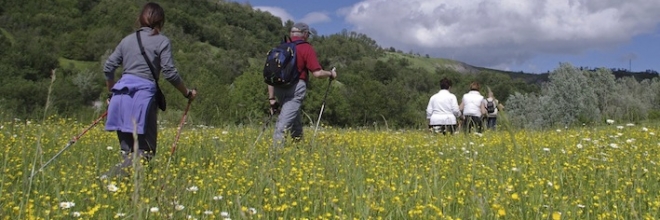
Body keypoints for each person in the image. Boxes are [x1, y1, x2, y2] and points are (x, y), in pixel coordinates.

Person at [101, 2, 197, 178]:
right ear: (161, 22)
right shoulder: (162, 41)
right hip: (143, 97)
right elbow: (170, 73)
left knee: (127, 151)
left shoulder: (127, 40)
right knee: (146, 151)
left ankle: (124, 192)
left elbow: (108, 67)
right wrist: (187, 93)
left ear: (140, 19)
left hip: (120, 96)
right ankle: (109, 178)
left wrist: (111, 92)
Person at [268, 22, 336, 148]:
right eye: (308, 34)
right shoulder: (306, 48)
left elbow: (271, 75)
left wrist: (272, 99)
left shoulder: (281, 48)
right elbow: (317, 73)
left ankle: (299, 150)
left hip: (278, 88)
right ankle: (275, 157)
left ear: (291, 33)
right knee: (282, 126)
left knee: (295, 120)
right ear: (304, 34)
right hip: (295, 88)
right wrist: (330, 74)